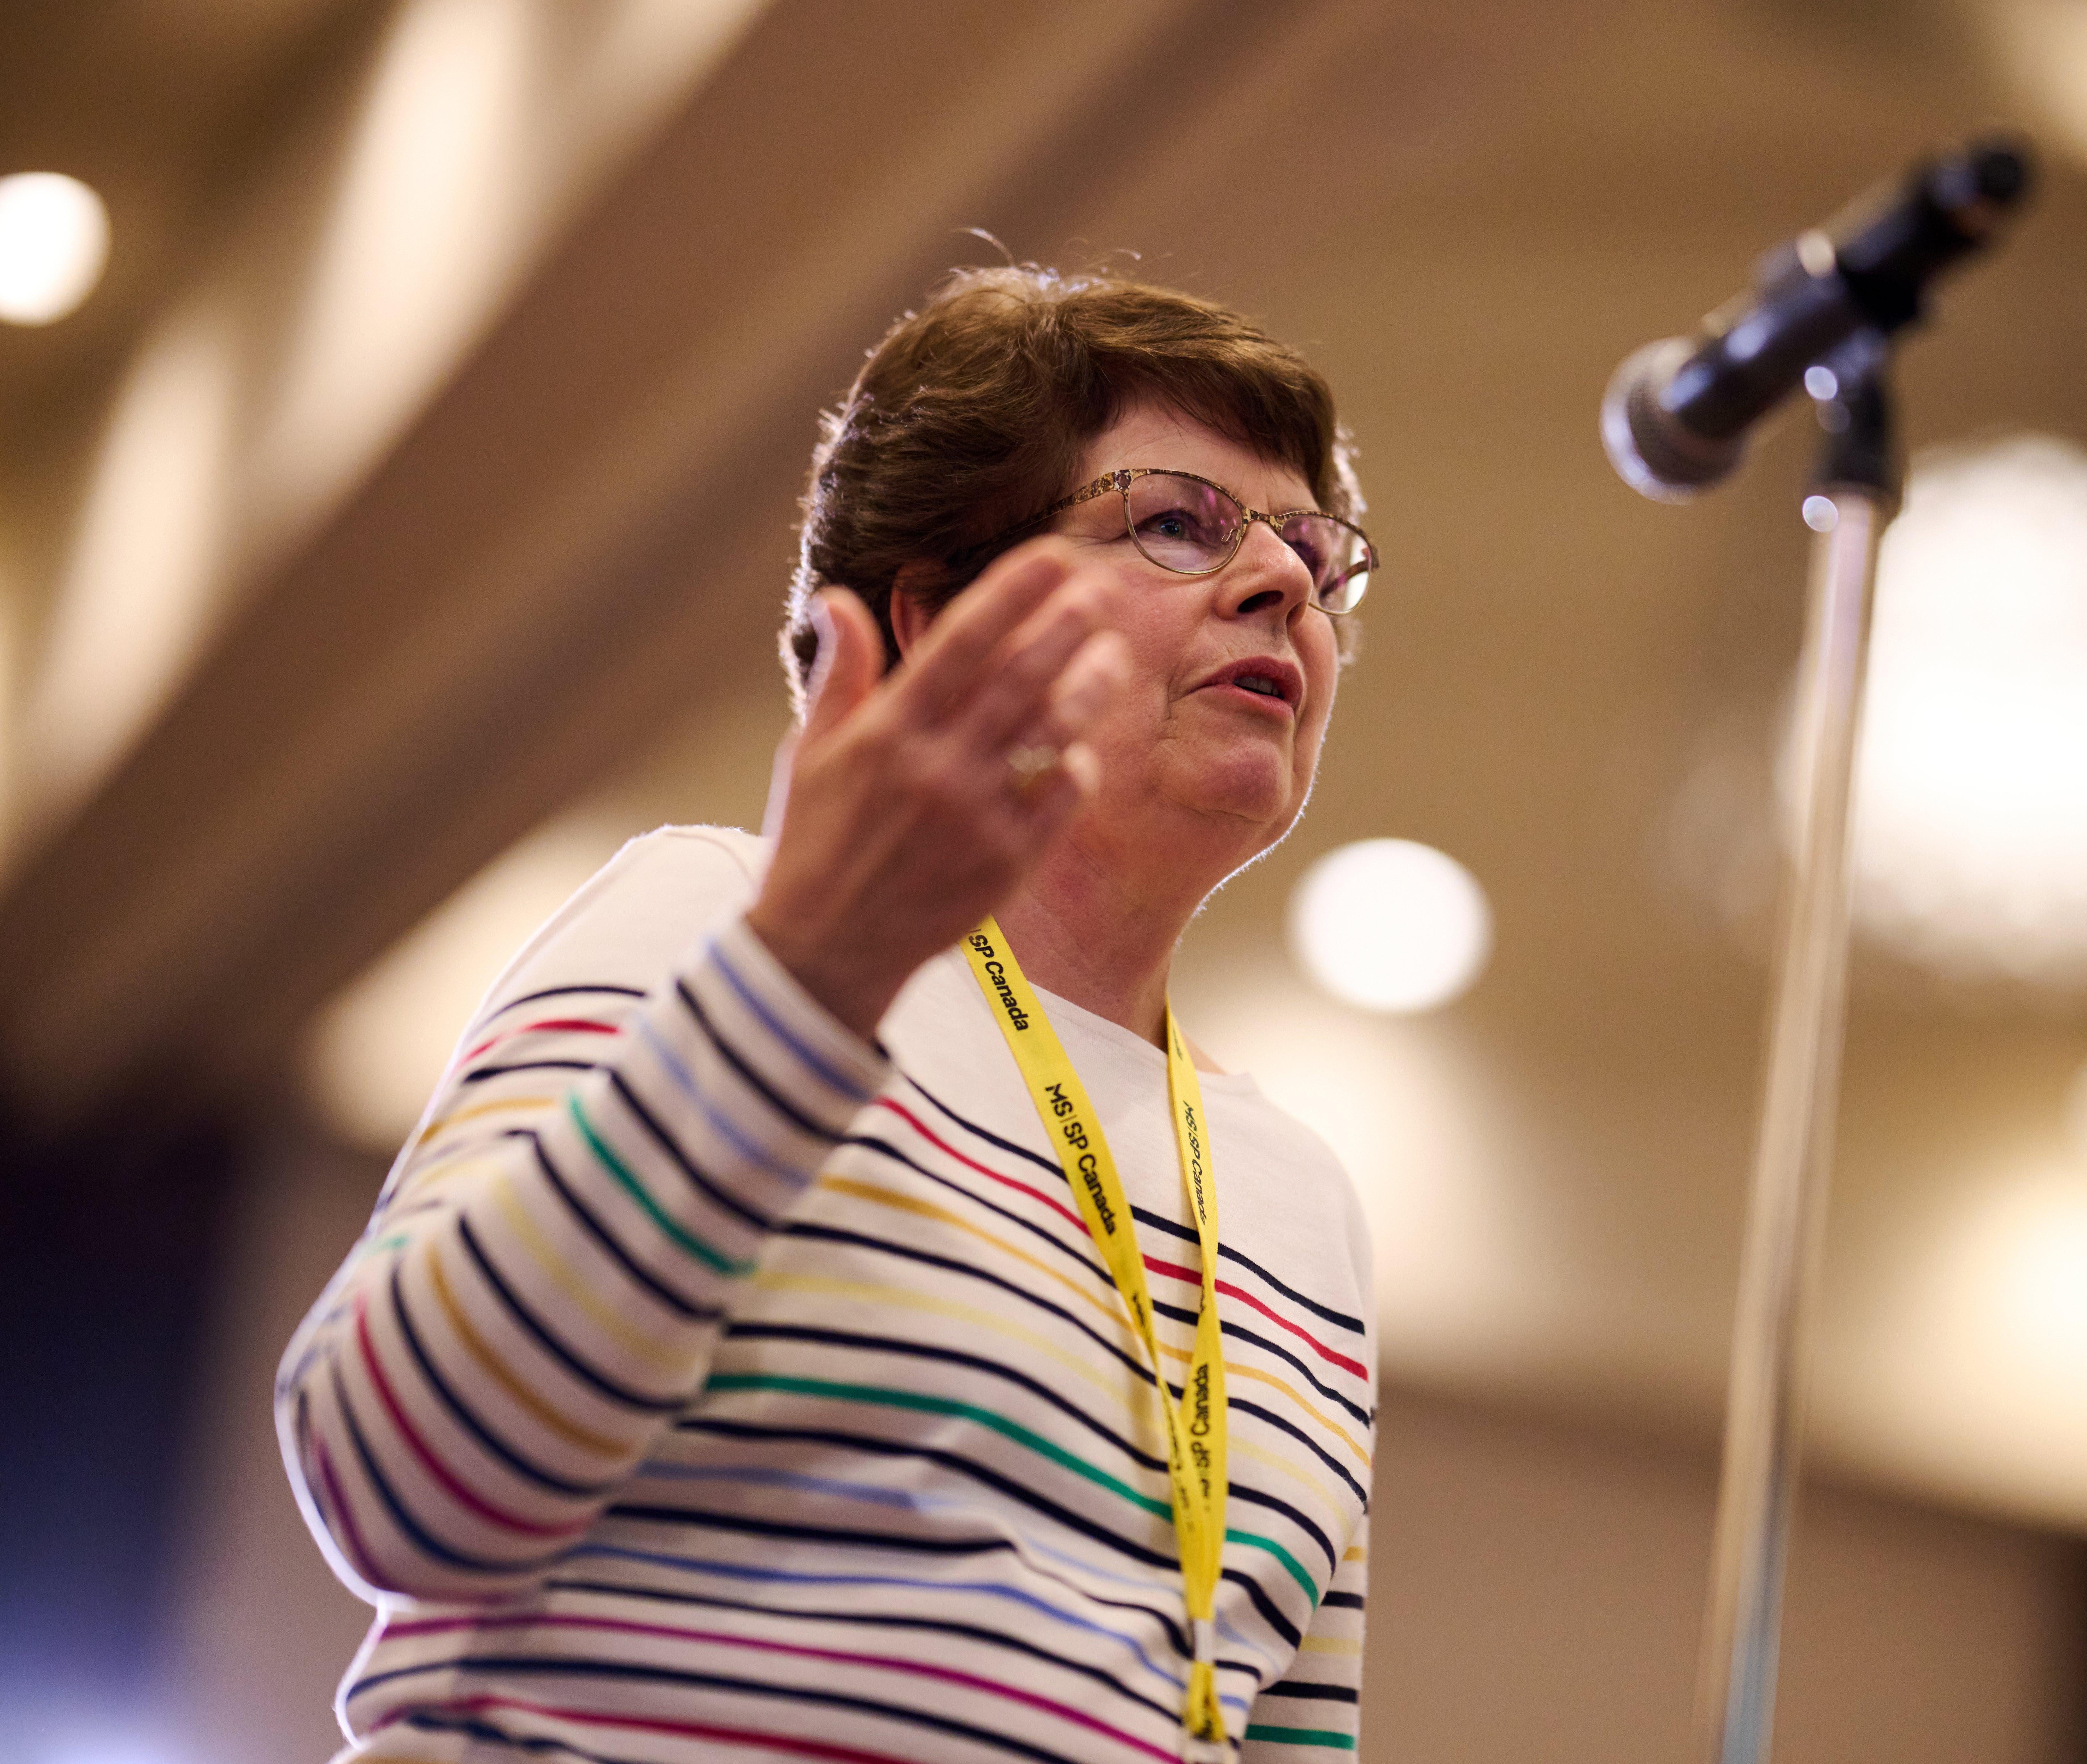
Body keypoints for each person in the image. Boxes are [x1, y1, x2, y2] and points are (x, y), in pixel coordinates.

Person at [277, 265, 1382, 1764]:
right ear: (934, 619)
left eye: (1319, 553)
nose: (1285, 586)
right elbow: (393, 1472)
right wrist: (808, 986)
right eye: (1179, 520)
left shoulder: (1301, 1205)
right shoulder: (716, 922)